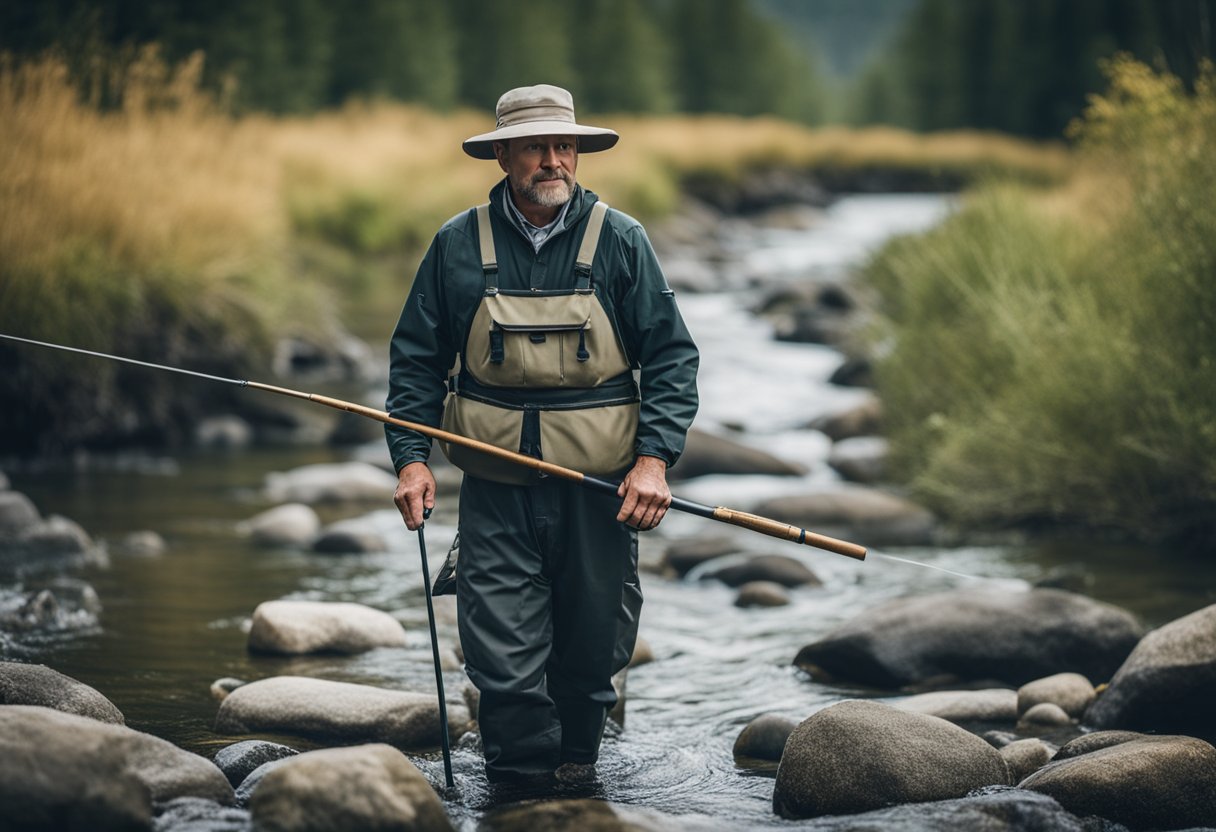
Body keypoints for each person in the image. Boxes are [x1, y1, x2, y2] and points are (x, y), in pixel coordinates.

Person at [385, 84, 698, 784]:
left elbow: (673, 357)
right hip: (495, 493)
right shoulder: (455, 245)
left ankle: (578, 778)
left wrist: (653, 461)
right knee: (502, 664)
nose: (554, 161)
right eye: (536, 147)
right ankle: (518, 790)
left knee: (591, 661)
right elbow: (415, 362)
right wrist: (412, 460)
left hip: (601, 491)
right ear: (502, 155)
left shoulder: (621, 240)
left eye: (565, 146)